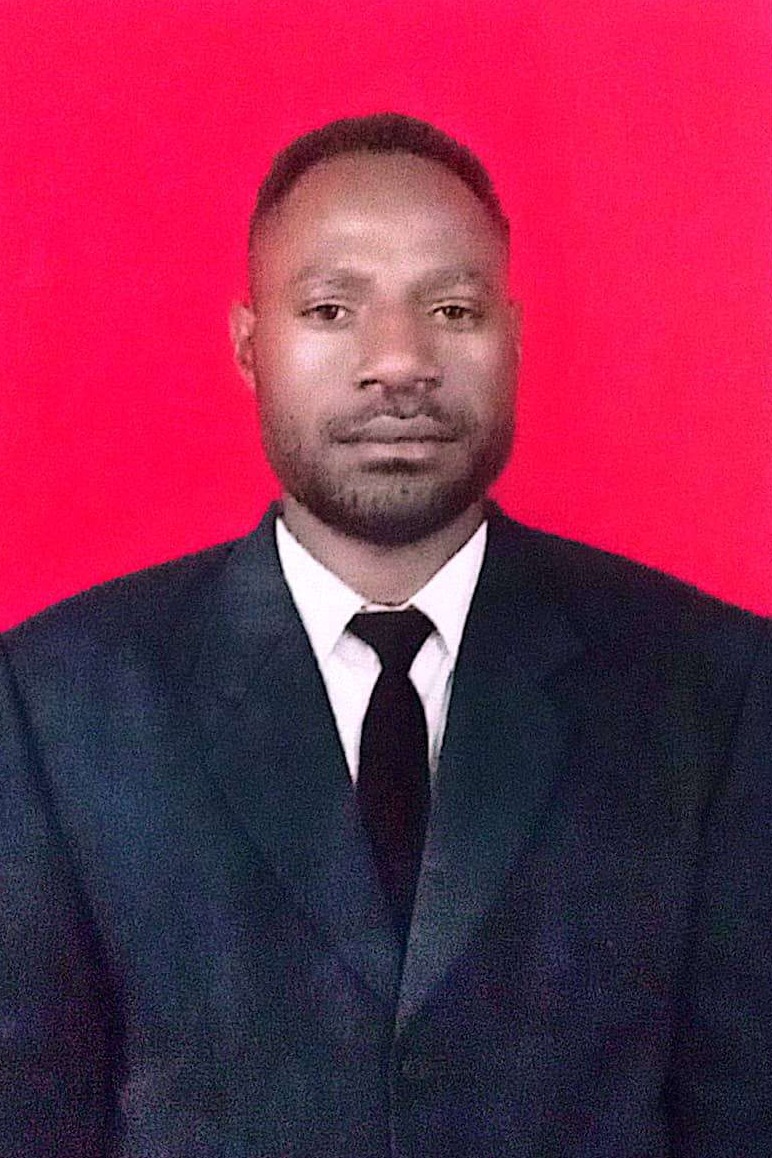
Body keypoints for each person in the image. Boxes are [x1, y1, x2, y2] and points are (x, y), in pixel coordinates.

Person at [0, 113, 769, 1157]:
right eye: (332, 309)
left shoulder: (709, 686)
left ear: (513, 336)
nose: (400, 361)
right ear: (249, 346)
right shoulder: (61, 701)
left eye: (452, 308)